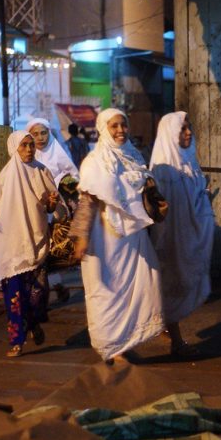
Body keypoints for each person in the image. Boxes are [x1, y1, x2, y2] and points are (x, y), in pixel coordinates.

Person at [69, 108, 165, 363]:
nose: (120, 130)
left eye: (123, 125)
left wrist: (156, 204)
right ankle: (111, 346)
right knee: (108, 292)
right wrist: (81, 237)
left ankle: (125, 342)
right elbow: (87, 202)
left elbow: (146, 193)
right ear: (103, 128)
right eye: (114, 126)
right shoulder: (94, 161)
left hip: (133, 240)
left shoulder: (134, 156)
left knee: (137, 288)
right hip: (105, 240)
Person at [0, 131, 60, 357]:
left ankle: (33, 323)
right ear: (14, 147)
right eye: (24, 145)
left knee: (37, 296)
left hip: (36, 241)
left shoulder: (42, 171)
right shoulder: (6, 174)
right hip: (11, 244)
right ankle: (16, 341)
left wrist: (51, 203)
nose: (29, 150)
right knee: (14, 297)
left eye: (31, 145)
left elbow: (52, 206)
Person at [149, 111, 214, 358]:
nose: (188, 133)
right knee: (172, 286)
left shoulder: (188, 163)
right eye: (182, 129)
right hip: (171, 240)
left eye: (189, 128)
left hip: (188, 236)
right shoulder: (164, 170)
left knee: (177, 287)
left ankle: (168, 329)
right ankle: (176, 342)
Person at [26, 117, 80, 302]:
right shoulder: (26, 154)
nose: (40, 138)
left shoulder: (58, 154)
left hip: (56, 212)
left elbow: (72, 176)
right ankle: (54, 286)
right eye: (35, 134)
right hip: (34, 210)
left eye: (43, 133)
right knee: (37, 251)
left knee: (51, 250)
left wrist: (59, 185)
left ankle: (51, 287)